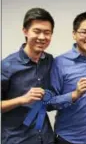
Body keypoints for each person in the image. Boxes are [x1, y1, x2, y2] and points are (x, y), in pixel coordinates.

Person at [48, 11, 86, 144]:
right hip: (69, 139)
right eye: (84, 32)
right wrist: (74, 95)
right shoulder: (59, 63)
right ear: (74, 34)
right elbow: (48, 102)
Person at [1, 8, 55, 144]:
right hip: (17, 139)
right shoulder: (7, 65)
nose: (42, 37)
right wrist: (22, 100)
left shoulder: (49, 61)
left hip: (46, 138)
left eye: (47, 33)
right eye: (37, 31)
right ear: (25, 31)